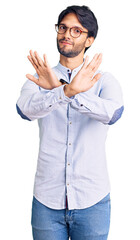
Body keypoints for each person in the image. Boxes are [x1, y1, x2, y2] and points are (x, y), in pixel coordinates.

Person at [16, 5, 124, 240]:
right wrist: (63, 91)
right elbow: (24, 109)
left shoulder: (104, 80)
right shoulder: (39, 77)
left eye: (77, 30)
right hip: (47, 200)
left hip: (92, 200)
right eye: (63, 28)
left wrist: (65, 92)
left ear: (89, 40)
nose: (67, 34)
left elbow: (113, 113)